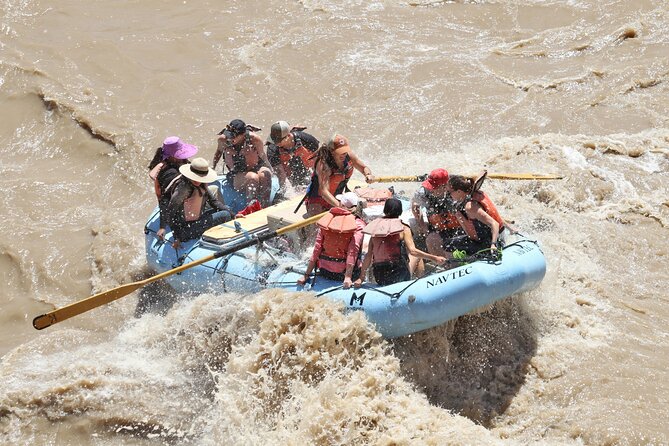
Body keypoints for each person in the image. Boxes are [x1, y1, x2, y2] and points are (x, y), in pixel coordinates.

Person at [354, 198, 446, 287]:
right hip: (398, 274)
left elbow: (368, 256)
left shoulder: (376, 229)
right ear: (400, 212)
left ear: (385, 210)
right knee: (417, 258)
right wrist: (434, 258)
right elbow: (413, 251)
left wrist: (361, 278)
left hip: (380, 276)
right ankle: (418, 287)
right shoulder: (403, 228)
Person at [297, 192, 366, 289]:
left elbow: (317, 249)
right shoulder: (358, 224)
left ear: (341, 204)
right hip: (343, 275)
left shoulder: (327, 220)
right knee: (365, 256)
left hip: (325, 271)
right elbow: (353, 251)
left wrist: (306, 275)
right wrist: (347, 277)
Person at [166, 158, 234, 248]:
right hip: (185, 230)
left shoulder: (202, 185)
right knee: (225, 215)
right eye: (196, 177)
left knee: (227, 209)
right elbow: (170, 213)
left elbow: (214, 202)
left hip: (196, 221)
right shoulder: (183, 189)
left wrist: (233, 214)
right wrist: (176, 237)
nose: (198, 180)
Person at [303, 134, 375, 216]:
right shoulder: (323, 164)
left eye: (345, 151)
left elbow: (364, 168)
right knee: (316, 226)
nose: (344, 154)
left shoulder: (349, 156)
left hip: (337, 197)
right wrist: (340, 207)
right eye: (340, 152)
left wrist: (368, 175)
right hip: (318, 199)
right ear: (331, 151)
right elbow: (324, 191)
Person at [446, 174, 515, 257]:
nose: (448, 195)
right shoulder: (479, 193)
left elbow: (494, 224)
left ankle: (459, 267)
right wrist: (510, 229)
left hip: (487, 244)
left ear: (459, 191)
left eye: (449, 192)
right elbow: (493, 215)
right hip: (499, 237)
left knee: (448, 245)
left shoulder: (470, 207)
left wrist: (493, 245)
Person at [212, 119, 273, 207]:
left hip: (255, 167)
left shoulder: (254, 139)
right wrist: (213, 168)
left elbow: (263, 156)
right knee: (253, 177)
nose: (231, 138)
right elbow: (218, 153)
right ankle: (251, 207)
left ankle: (265, 206)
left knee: (265, 174)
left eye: (234, 136)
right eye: (230, 135)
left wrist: (270, 169)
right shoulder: (223, 139)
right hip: (236, 174)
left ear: (243, 134)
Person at [147, 136, 199, 241]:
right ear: (173, 157)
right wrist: (162, 227)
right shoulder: (168, 172)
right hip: (173, 203)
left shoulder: (180, 163)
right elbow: (165, 200)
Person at [410, 168, 463, 266]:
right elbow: (415, 207)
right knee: (431, 239)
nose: (430, 188)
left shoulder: (456, 189)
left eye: (434, 187)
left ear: (445, 186)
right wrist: (424, 228)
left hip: (460, 226)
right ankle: (445, 266)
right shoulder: (423, 192)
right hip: (438, 227)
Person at [266, 121, 319, 193]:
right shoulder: (272, 149)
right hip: (288, 170)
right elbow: (280, 174)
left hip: (305, 165)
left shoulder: (307, 139)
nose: (276, 143)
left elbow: (319, 159)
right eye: (274, 140)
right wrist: (285, 192)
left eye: (279, 141)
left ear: (288, 136)